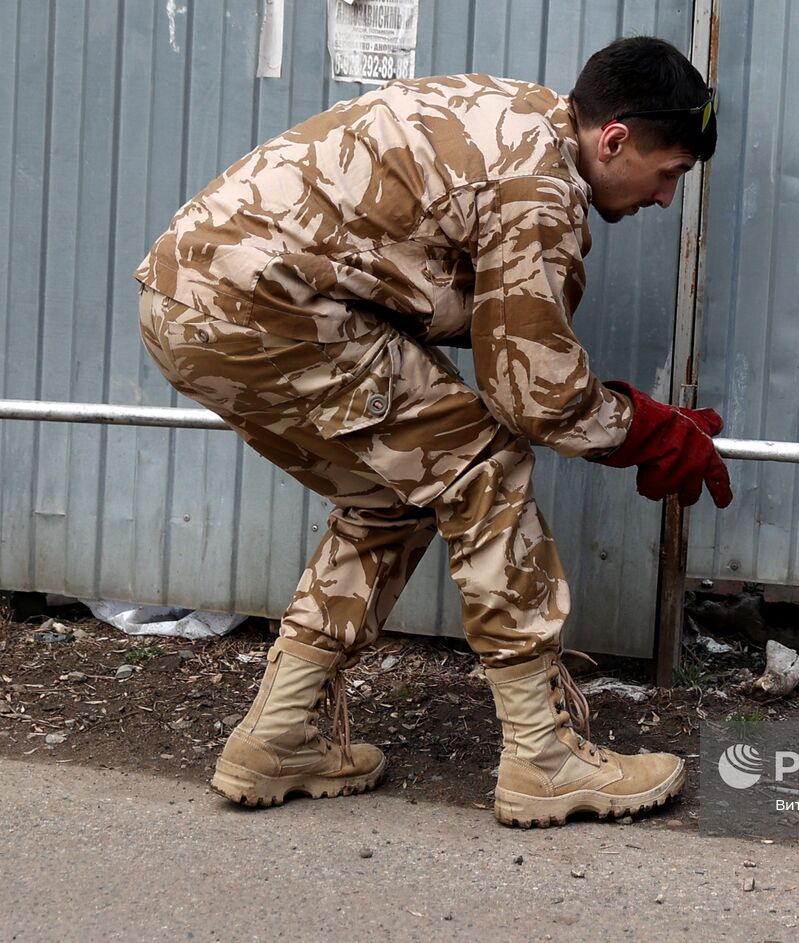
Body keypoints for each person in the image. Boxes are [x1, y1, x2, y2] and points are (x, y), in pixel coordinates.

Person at [133, 36, 731, 828]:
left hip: (184, 302)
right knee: (483, 462)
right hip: (268, 307)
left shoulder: (509, 115)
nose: (664, 201)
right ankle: (541, 755)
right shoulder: (539, 185)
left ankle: (277, 735)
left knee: (396, 490)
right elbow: (533, 393)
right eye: (670, 175)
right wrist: (649, 429)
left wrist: (629, 420)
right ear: (614, 137)